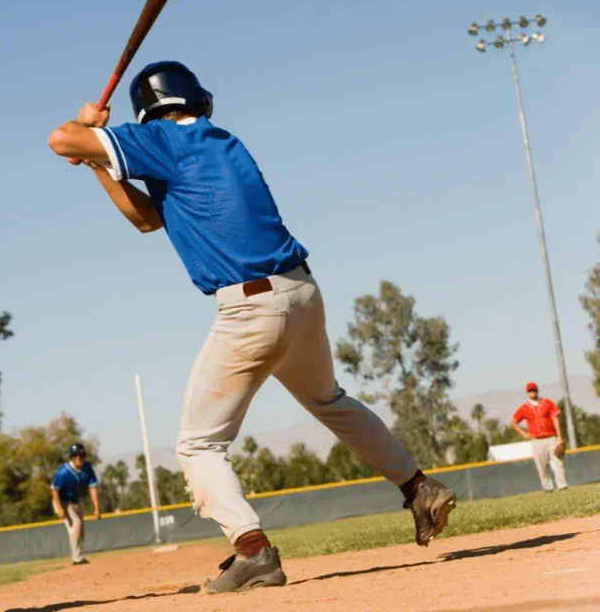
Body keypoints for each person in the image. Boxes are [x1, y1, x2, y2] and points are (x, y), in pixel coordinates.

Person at [47, 61, 458, 593]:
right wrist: (98, 158)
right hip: (301, 293)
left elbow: (61, 138)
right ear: (196, 98)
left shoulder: (161, 139)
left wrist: (88, 132)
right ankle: (418, 486)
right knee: (329, 400)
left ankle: (253, 551)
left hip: (251, 309)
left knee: (198, 444)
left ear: (147, 112)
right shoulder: (219, 142)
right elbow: (148, 219)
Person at [511, 382, 568, 492]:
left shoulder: (547, 402)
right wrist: (523, 433)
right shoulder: (524, 408)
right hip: (536, 441)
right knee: (542, 467)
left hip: (551, 438)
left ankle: (563, 486)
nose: (532, 392)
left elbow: (555, 418)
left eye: (534, 390)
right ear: (527, 392)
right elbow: (514, 421)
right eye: (530, 390)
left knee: (559, 462)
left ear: (537, 390)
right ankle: (548, 488)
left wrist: (559, 437)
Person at [50, 443, 100, 565]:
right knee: (76, 523)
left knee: (81, 531)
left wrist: (97, 508)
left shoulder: (87, 468)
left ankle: (79, 556)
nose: (78, 457)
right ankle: (76, 558)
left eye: (80, 454)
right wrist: (60, 508)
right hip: (62, 502)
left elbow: (92, 488)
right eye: (75, 455)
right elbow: (54, 490)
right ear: (71, 457)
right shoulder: (64, 471)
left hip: (75, 503)